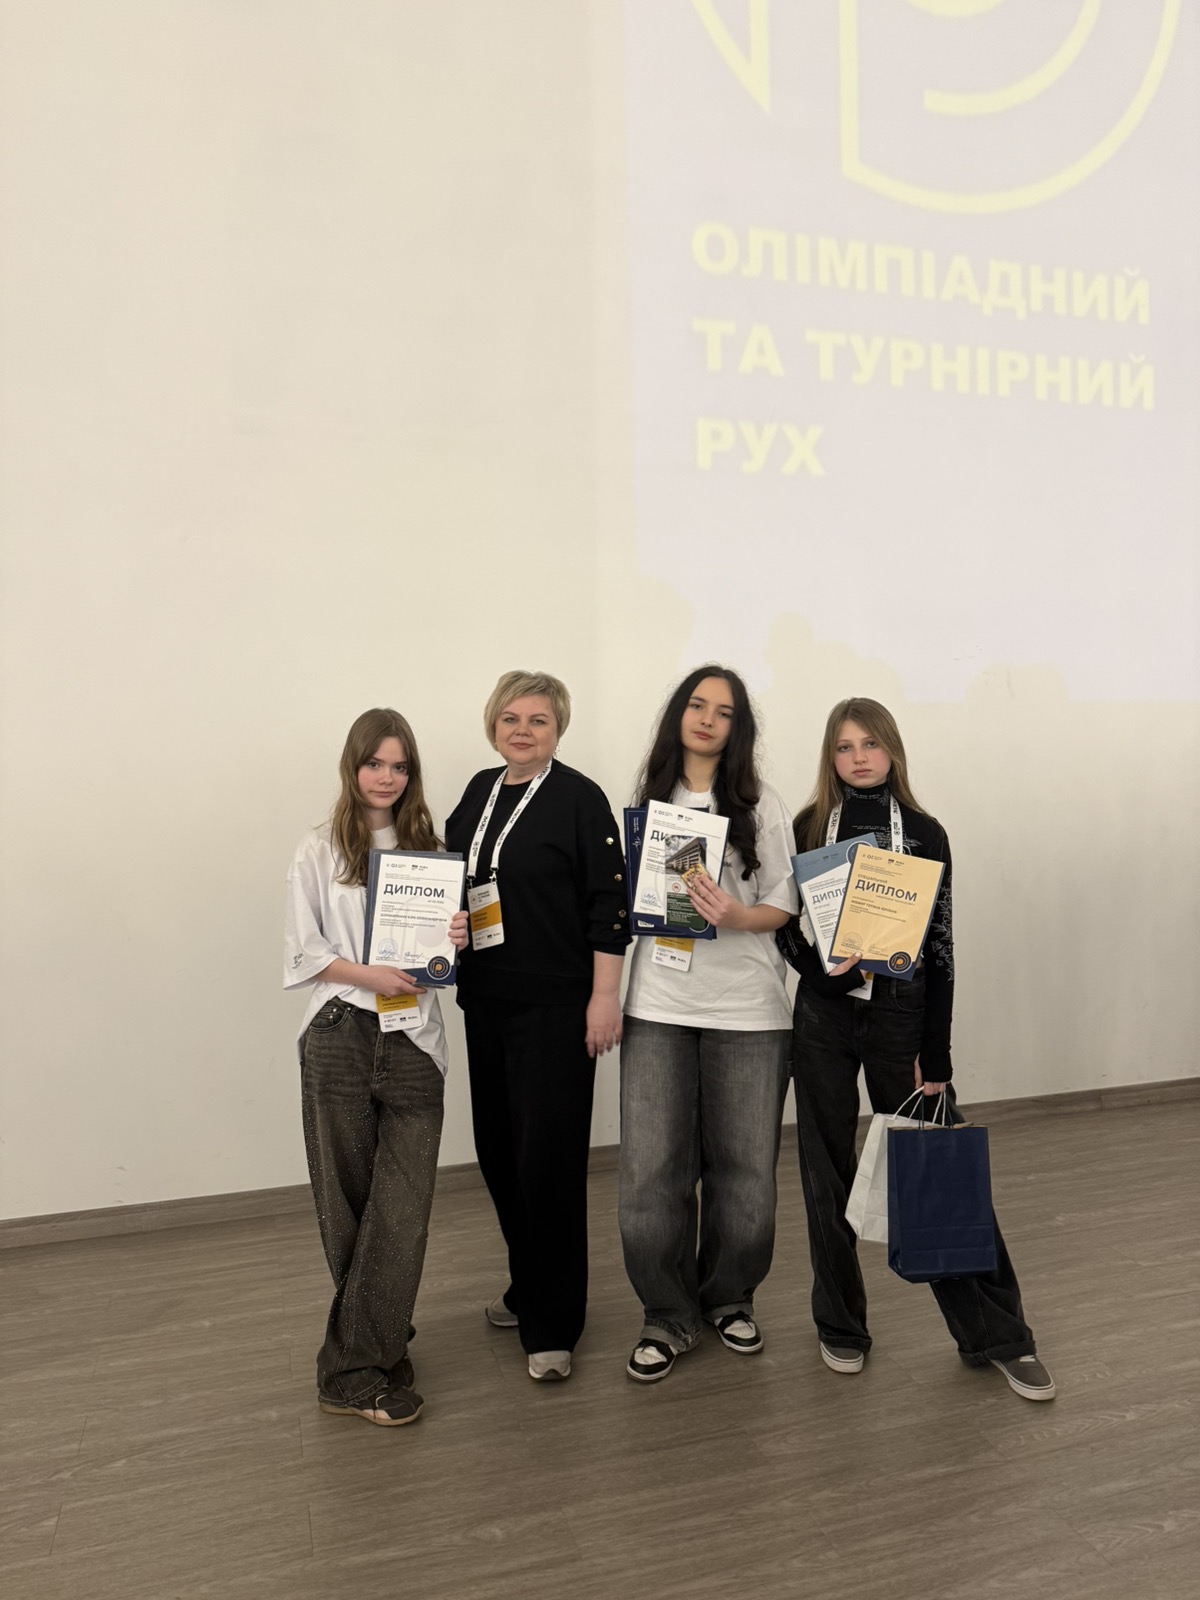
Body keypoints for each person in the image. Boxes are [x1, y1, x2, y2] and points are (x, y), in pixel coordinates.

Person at [781, 697, 1056, 1401]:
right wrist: (819, 973)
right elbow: (785, 924)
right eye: (844, 747)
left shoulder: (927, 833)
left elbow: (940, 947)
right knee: (825, 1173)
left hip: (901, 1019)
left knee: (935, 1173)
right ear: (830, 756)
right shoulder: (807, 825)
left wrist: (937, 1058)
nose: (859, 758)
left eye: (871, 744)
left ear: (893, 750)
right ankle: (841, 1325)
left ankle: (1000, 1337)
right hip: (823, 1018)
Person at [284, 708, 469, 1426]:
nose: (386, 777)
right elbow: (304, 952)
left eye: (399, 765)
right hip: (340, 1032)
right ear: (353, 766)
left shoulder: (432, 851)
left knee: (403, 1207)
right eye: (374, 763)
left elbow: (443, 963)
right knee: (349, 1206)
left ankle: (356, 1362)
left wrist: (456, 937)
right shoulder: (319, 848)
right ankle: (373, 1356)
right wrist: (371, 975)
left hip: (416, 1040)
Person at [445, 670, 630, 1382]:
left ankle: (554, 1324)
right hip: (486, 999)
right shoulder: (478, 791)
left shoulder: (580, 800)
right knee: (498, 1154)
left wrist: (604, 997)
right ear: (494, 723)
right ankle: (528, 1285)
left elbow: (609, 905)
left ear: (559, 730)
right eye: (511, 719)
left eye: (538, 721)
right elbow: (457, 881)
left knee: (546, 1163)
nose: (522, 731)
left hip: (556, 1008)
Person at [619, 667, 798, 1382]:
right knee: (649, 1175)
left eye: (723, 711)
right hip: (658, 1004)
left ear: (737, 728)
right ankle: (666, 1315)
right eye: (697, 705)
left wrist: (737, 914)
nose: (706, 719)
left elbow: (785, 901)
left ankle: (729, 1298)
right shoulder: (646, 802)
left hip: (747, 1009)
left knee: (746, 1175)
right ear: (679, 715)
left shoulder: (763, 803)